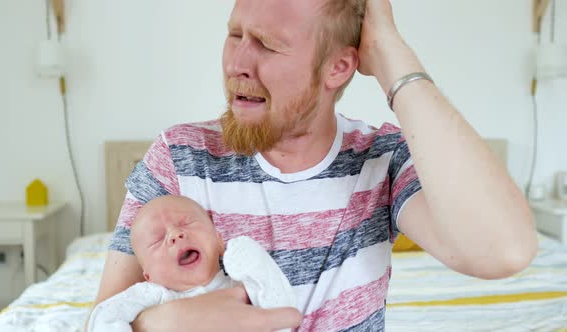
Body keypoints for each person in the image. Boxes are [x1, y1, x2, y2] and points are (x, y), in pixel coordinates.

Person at [90, 0, 538, 331]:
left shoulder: (380, 160)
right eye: (234, 35)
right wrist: (165, 325)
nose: (236, 64)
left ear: (339, 67)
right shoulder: (178, 156)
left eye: (266, 44)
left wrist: (388, 51)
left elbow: (505, 250)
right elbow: (102, 321)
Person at [87, 195, 296, 332]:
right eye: (157, 239)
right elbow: (104, 316)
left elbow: (284, 313)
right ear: (148, 274)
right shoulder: (153, 295)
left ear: (218, 239)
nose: (176, 235)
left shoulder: (241, 286)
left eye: (187, 222)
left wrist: (247, 254)